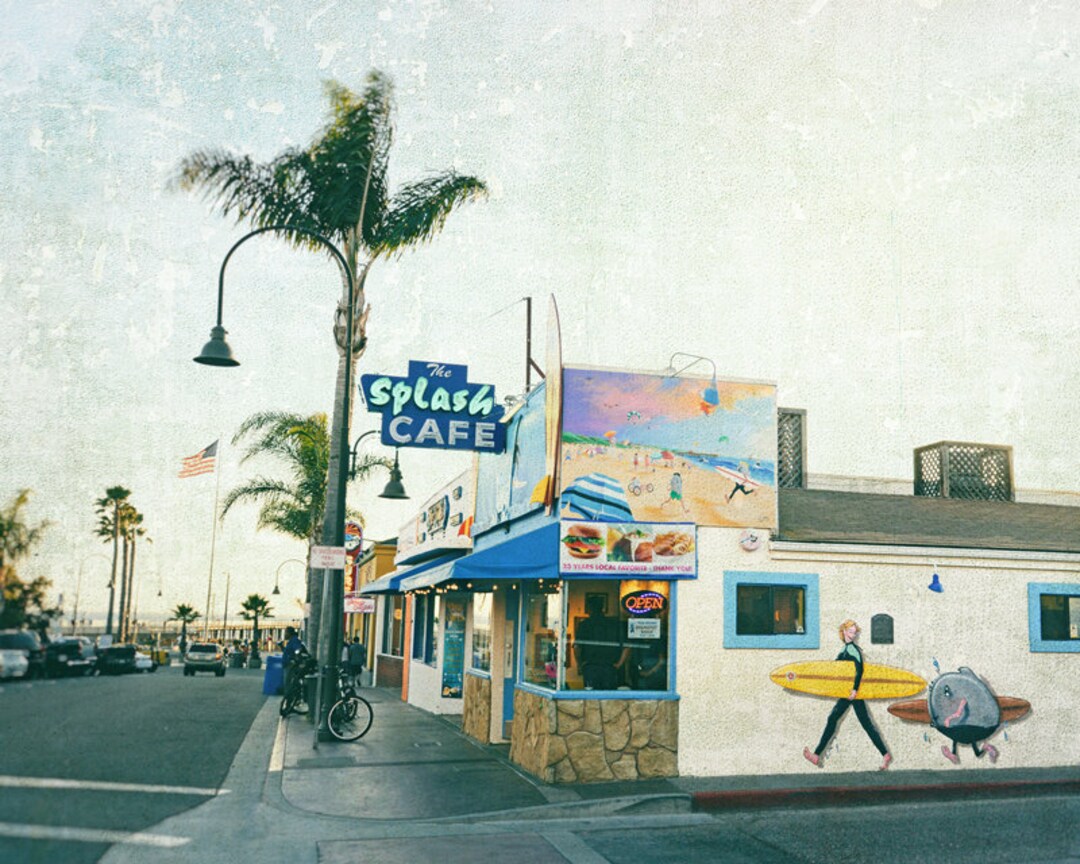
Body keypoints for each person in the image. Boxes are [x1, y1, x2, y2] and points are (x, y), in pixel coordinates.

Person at [804, 620, 892, 771]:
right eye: (851, 631)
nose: (853, 634)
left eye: (854, 631)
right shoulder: (846, 649)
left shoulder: (852, 650)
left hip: (852, 693)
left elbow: (860, 670)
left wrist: (854, 690)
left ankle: (817, 755)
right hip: (847, 691)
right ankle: (885, 754)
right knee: (865, 724)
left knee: (836, 719)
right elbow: (838, 670)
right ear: (844, 631)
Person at [573, 595, 630, 690]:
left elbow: (577, 648)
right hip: (609, 667)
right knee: (609, 698)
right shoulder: (613, 624)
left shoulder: (585, 625)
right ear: (602, 607)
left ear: (589, 608)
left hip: (591, 667)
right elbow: (627, 647)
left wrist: (580, 664)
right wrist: (619, 664)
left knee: (591, 698)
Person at [281, 626, 307, 697]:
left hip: (290, 665)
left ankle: (288, 698)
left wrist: (293, 660)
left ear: (290, 633)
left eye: (286, 632)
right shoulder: (291, 641)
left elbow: (297, 650)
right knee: (287, 682)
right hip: (287, 664)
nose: (284, 634)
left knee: (288, 683)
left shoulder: (294, 640)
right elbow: (290, 652)